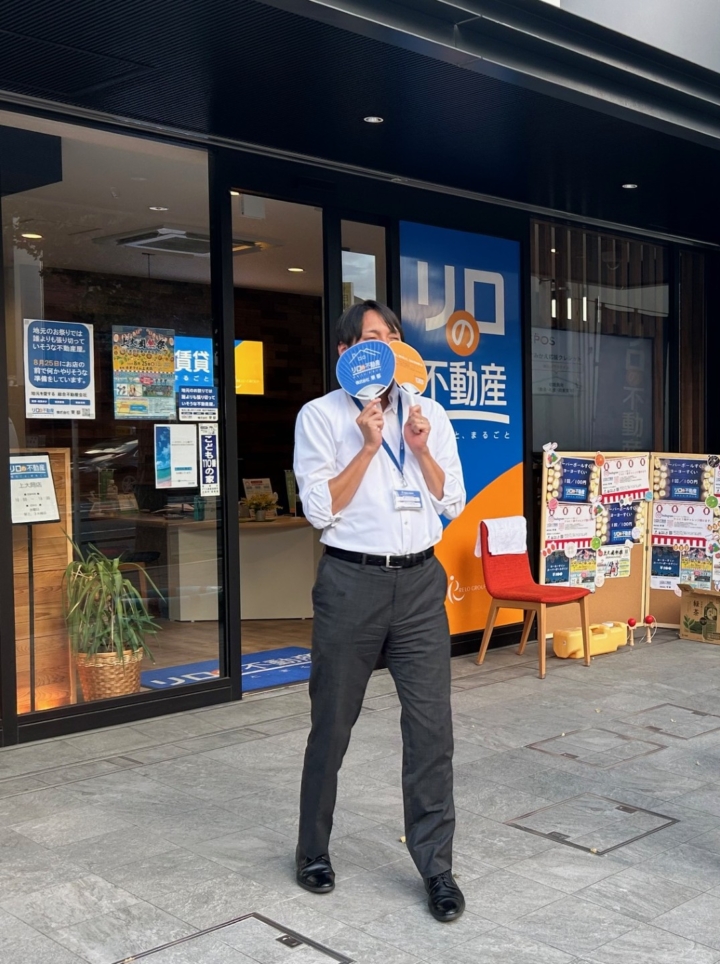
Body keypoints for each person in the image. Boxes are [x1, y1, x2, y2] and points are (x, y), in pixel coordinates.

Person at [292, 299, 468, 922]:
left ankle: (437, 868)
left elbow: (453, 503)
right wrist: (367, 447)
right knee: (332, 725)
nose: (386, 347)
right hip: (351, 584)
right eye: (372, 338)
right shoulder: (318, 417)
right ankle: (313, 849)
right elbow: (320, 510)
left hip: (419, 583)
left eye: (391, 337)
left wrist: (418, 449)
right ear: (345, 352)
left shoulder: (428, 412)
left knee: (431, 732)